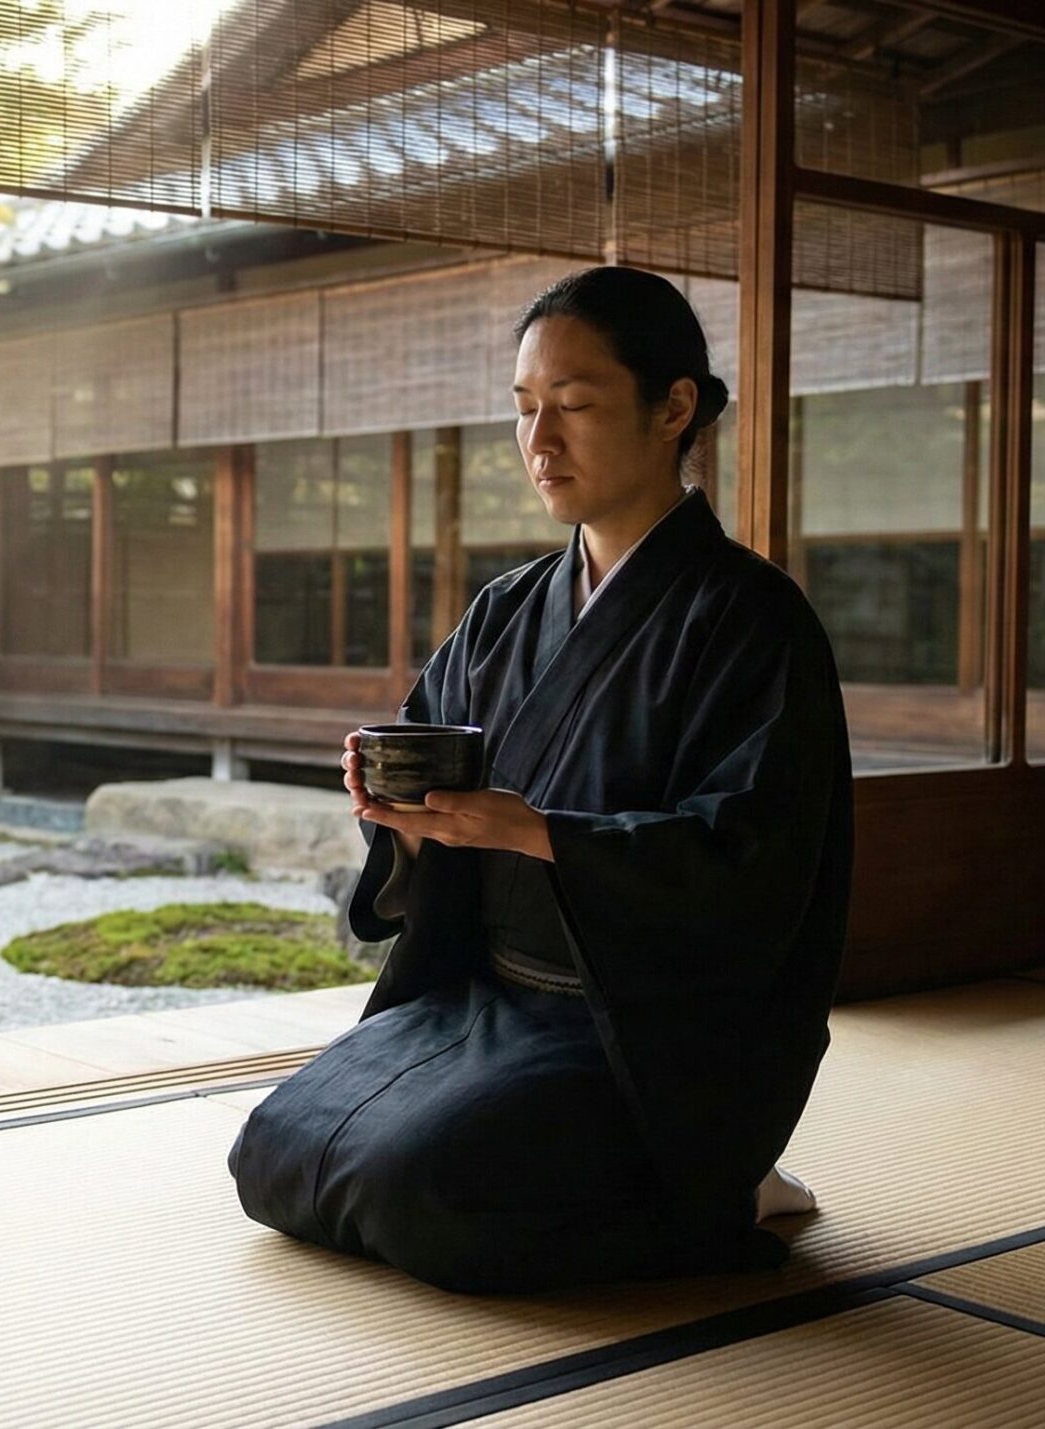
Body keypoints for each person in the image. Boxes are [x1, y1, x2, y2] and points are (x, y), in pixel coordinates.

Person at [225, 265, 853, 1296]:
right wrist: (407, 822)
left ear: (674, 409)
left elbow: (751, 858)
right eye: (524, 409)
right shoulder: (509, 609)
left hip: (645, 1031)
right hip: (489, 994)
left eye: (574, 404)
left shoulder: (753, 620)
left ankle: (718, 1191)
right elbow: (437, 775)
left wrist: (543, 834)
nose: (539, 441)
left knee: (420, 1189)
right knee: (277, 1151)